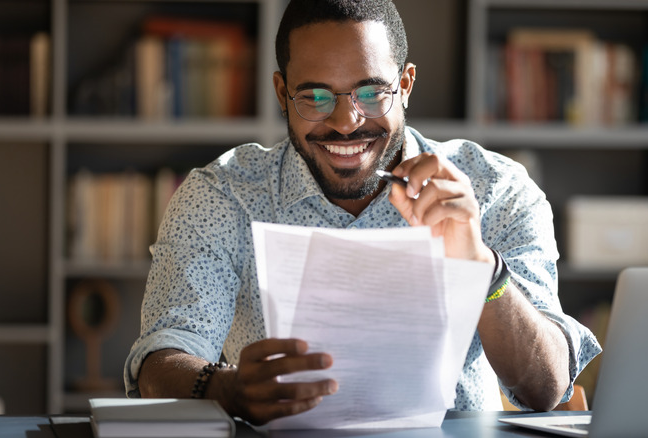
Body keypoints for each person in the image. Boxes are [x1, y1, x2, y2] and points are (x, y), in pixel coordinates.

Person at [124, 0, 601, 426]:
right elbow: (159, 363)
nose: (346, 121)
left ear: (406, 84)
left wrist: (480, 266)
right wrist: (228, 390)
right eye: (314, 96)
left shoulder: (495, 189)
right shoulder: (223, 196)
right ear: (281, 93)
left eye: (371, 93)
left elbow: (546, 388)